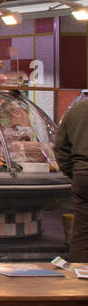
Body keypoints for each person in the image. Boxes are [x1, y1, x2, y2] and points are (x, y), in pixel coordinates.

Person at [54, 98, 88, 260]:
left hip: (82, 176)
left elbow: (60, 148)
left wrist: (74, 173)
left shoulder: (75, 109)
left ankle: (78, 278)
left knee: (82, 233)